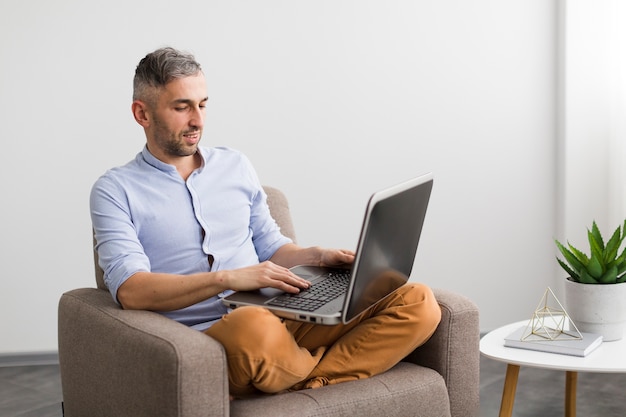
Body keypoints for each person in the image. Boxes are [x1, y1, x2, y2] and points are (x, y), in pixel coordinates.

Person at [90, 46, 442, 397]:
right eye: (181, 107)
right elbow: (131, 290)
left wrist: (316, 257)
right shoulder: (115, 190)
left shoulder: (235, 165)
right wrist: (227, 278)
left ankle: (311, 379)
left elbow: (271, 246)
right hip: (213, 339)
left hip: (280, 315)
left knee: (418, 301)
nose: (198, 120)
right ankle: (304, 370)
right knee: (252, 326)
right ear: (142, 114)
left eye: (203, 104)